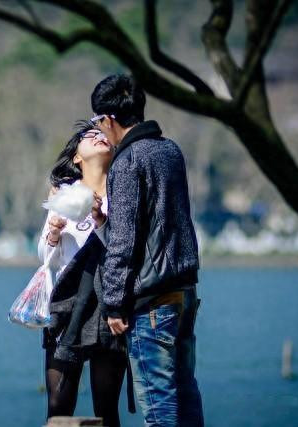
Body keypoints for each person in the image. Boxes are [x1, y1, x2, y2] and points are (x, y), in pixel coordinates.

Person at [90, 74, 204, 427]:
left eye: (98, 122)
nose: (100, 131)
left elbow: (124, 241)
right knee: (185, 396)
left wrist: (113, 304)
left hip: (151, 302)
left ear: (109, 119)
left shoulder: (128, 160)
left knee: (159, 408)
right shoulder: (170, 150)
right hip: (184, 291)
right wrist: (105, 223)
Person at [37, 121, 131, 427]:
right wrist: (53, 233)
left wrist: (102, 221)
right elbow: (46, 259)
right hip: (69, 305)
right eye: (90, 136)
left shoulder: (123, 193)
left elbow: (126, 249)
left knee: (107, 406)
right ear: (77, 156)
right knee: (58, 404)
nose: (99, 137)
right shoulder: (65, 195)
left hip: (109, 304)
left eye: (103, 135)